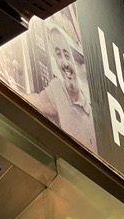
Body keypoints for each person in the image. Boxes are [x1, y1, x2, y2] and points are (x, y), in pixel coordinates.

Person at [26, 24, 96, 152]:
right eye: (58, 55)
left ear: (74, 61)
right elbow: (33, 102)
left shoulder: (92, 110)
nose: (64, 63)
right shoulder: (57, 89)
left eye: (67, 55)